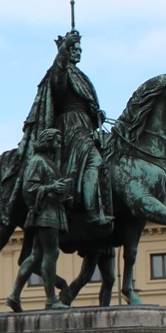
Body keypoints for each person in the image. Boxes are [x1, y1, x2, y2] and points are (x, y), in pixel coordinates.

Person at [23, 30, 110, 226]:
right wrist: (62, 49)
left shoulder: (81, 76)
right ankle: (90, 211)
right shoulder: (60, 71)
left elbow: (87, 103)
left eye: (80, 49)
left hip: (85, 124)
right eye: (74, 49)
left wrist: (95, 114)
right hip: (70, 126)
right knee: (94, 160)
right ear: (67, 51)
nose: (79, 52)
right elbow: (59, 82)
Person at [10, 127, 73, 310]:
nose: (59, 145)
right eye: (57, 141)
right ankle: (51, 300)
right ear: (48, 141)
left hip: (51, 210)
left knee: (36, 254)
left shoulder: (47, 162)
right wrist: (52, 188)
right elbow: (29, 188)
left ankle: (14, 295)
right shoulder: (37, 161)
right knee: (50, 253)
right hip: (45, 213)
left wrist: (62, 192)